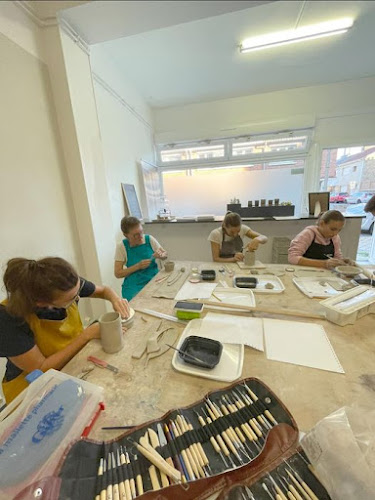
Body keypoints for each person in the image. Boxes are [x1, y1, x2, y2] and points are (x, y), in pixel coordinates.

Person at [0, 257, 130, 404]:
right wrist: (86, 335)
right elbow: (41, 369)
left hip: (70, 366)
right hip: (32, 391)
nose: (78, 296)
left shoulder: (65, 285)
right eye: (73, 298)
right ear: (41, 303)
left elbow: (105, 290)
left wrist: (116, 300)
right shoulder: (7, 319)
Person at [114, 216, 167, 301]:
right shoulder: (122, 246)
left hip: (153, 279)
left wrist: (162, 255)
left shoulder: (149, 239)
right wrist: (137, 266)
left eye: (141, 232)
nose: (141, 236)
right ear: (126, 235)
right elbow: (118, 273)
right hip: (133, 284)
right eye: (136, 235)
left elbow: (165, 255)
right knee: (136, 304)